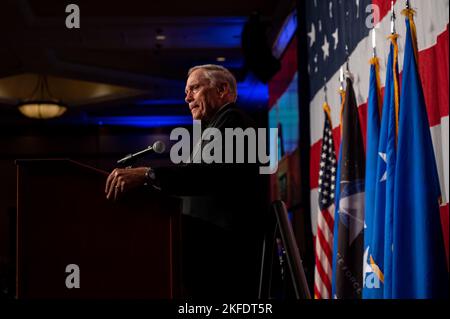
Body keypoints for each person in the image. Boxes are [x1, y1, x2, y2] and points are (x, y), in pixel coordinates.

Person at [105, 64, 268, 298]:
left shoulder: (233, 121)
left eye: (194, 88)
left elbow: (203, 176)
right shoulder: (216, 127)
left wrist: (147, 174)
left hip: (226, 260)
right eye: (186, 91)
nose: (187, 98)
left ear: (222, 89)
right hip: (211, 256)